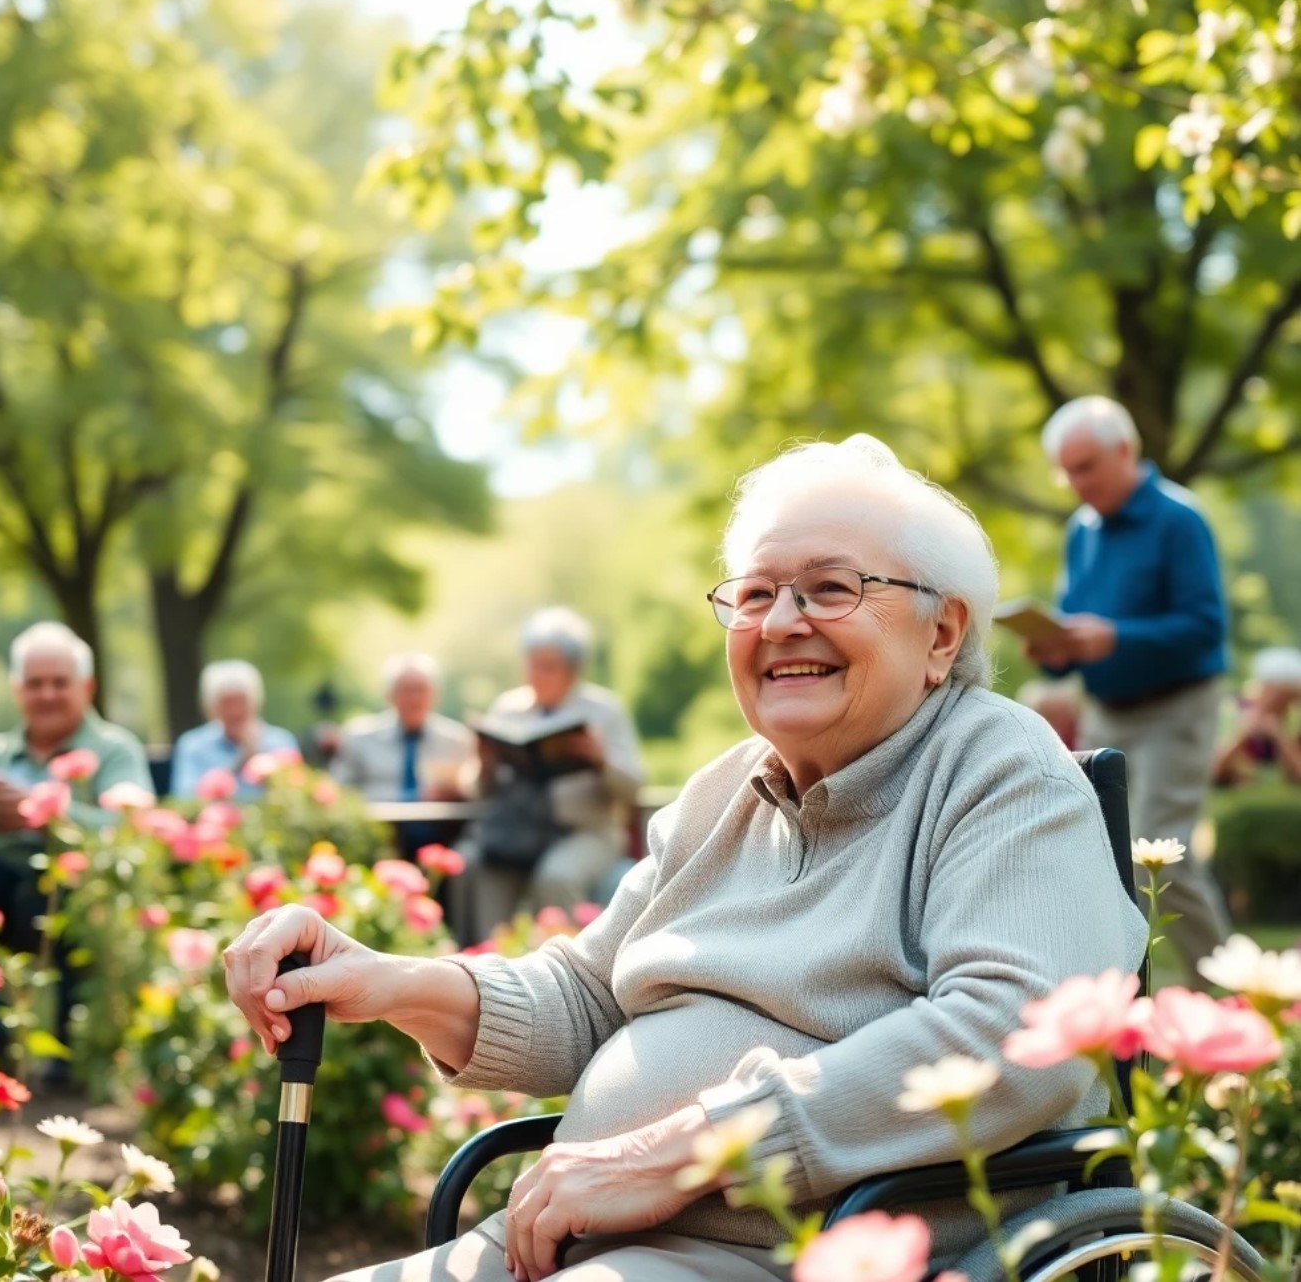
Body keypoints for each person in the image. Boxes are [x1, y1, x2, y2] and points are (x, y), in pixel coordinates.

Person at [225, 435, 1145, 1282]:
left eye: (829, 589)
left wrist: (679, 1153)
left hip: (784, 1256)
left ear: (940, 634)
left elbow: (1016, 1034)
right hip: (575, 1236)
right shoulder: (723, 791)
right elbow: (589, 995)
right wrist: (389, 982)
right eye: (755, 594)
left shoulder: (1000, 770)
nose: (779, 623)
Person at [1025, 396, 1231, 989]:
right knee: (1101, 857)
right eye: (1066, 472)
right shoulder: (1081, 531)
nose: (1076, 483)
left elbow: (1205, 627)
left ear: (1125, 450)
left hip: (1175, 710)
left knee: (1158, 856)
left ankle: (1233, 999)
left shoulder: (1179, 519)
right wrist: (1058, 650)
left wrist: (1116, 637)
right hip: (1106, 713)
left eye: (1086, 467)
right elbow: (1076, 624)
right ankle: (1118, 1004)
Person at [0, 621, 153, 1058]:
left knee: (76, 881)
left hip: (73, 892)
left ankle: (72, 1052)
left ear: (87, 687)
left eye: (59, 683)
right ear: (16, 690)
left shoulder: (115, 749)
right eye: (34, 684)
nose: (46, 694)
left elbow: (131, 827)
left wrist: (47, 815)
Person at [450, 607, 644, 946]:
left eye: (548, 666)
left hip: (585, 832)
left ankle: (568, 967)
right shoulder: (508, 708)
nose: (537, 674)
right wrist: (485, 764)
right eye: (532, 663)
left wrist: (600, 760)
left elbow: (633, 786)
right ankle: (487, 961)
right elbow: (475, 788)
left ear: (573, 669)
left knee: (557, 876)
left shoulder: (605, 710)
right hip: (517, 830)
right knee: (481, 867)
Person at [330, 653, 476, 803]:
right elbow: (340, 792)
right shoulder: (359, 737)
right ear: (389, 695)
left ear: (435, 694)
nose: (414, 698)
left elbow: (476, 793)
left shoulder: (459, 741)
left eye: (420, 689)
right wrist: (411, 797)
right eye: (405, 690)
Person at [168, 660, 300, 799]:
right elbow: (185, 798)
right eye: (226, 703)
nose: (235, 711)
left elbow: (297, 795)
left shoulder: (280, 742)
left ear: (255, 703)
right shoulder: (193, 745)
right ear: (211, 708)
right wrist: (240, 762)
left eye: (241, 701)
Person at [1212, 646, 1301, 787]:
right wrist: (1245, 733)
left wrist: (1278, 735)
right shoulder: (1235, 711)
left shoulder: (1295, 719)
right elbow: (1213, 772)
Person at [1016, 678, 1083, 751]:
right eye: (1052, 716)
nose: (1060, 721)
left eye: (1062, 714)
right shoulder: (1036, 748)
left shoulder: (1086, 734)